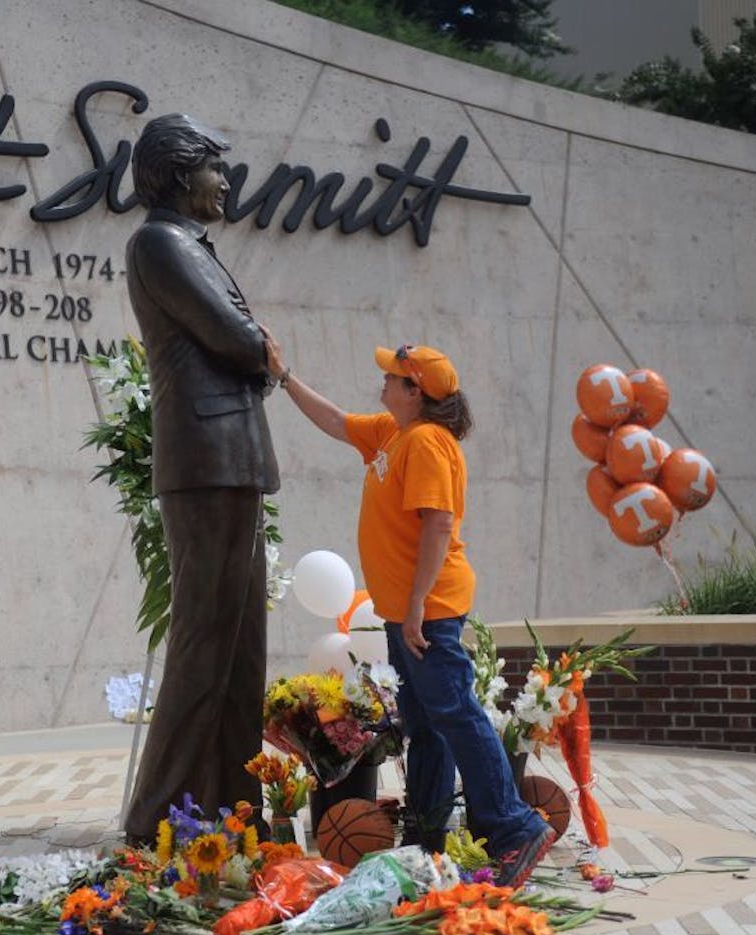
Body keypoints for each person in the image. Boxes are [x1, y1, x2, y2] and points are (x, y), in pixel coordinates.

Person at [262, 338, 554, 888]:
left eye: (393, 378)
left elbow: (438, 525)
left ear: (415, 391)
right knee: (425, 723)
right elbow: (334, 420)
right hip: (408, 611)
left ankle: (514, 828)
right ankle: (427, 835)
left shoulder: (425, 443)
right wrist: (285, 375)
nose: (383, 382)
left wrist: (417, 607)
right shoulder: (392, 432)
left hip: (431, 609)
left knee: (455, 714)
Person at [121, 114, 279, 843]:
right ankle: (157, 821)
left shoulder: (194, 245)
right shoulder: (159, 242)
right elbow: (241, 340)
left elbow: (254, 355)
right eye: (215, 167)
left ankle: (233, 813)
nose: (225, 180)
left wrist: (258, 354)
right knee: (203, 644)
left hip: (234, 461)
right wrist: (258, 350)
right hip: (207, 464)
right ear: (182, 173)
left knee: (243, 650)